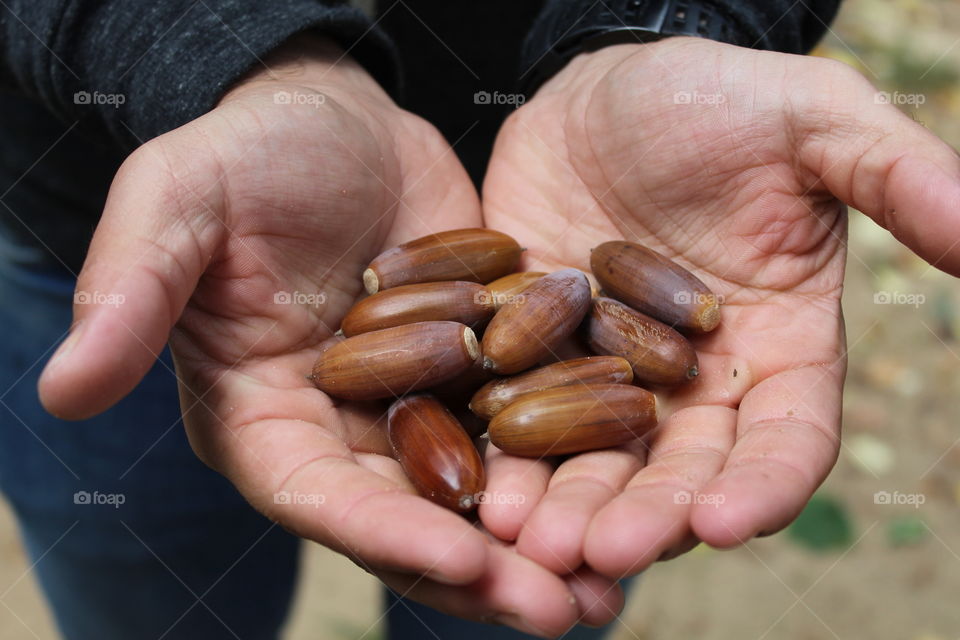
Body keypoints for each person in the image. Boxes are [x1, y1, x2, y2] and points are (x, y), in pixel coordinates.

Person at [2, 1, 958, 638]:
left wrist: (669, 21)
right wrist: (229, 60)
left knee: (511, 592)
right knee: (152, 594)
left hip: (572, 152)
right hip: (133, 210)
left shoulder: (547, 329)